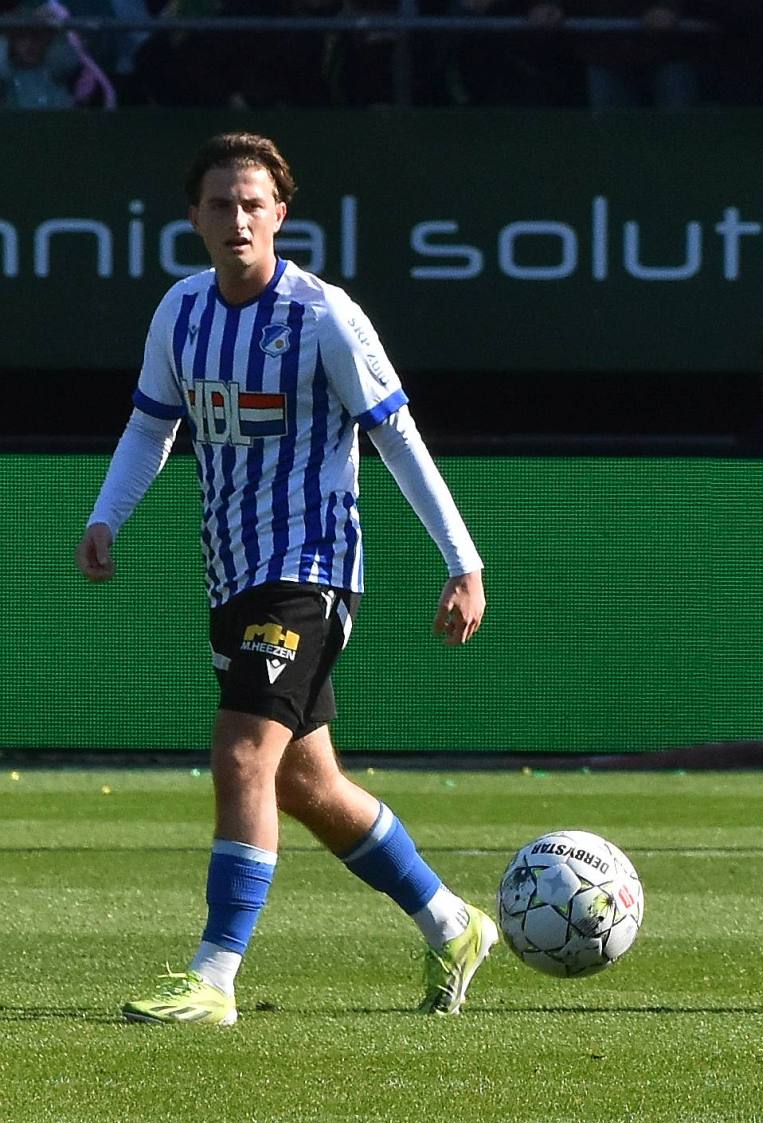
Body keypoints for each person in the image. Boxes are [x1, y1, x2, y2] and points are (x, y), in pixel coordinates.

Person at [74, 132, 496, 1026]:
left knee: (239, 755)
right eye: (221, 202)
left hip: (309, 572)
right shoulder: (180, 313)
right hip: (231, 576)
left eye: (253, 202)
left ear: (281, 215)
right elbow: (153, 428)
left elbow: (396, 437)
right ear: (194, 217)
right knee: (306, 785)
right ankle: (452, 922)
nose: (237, 217)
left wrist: (463, 561)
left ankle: (214, 975)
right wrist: (107, 515)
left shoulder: (322, 317)